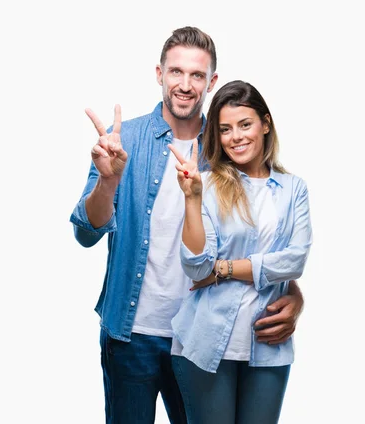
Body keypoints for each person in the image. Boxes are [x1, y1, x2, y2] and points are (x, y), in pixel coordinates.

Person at [69, 27, 305, 424]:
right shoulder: (125, 140)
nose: (185, 84)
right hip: (132, 333)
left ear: (211, 82)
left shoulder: (230, 146)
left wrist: (293, 293)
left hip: (204, 337)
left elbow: (264, 233)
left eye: (197, 75)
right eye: (176, 72)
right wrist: (108, 181)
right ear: (159, 74)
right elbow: (85, 233)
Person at [168, 80, 313, 424]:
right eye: (225, 129)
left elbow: (296, 260)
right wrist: (192, 198)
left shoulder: (293, 189)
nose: (236, 137)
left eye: (245, 125)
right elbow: (197, 266)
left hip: (268, 347)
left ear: (265, 124)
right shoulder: (207, 185)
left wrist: (228, 269)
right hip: (205, 342)